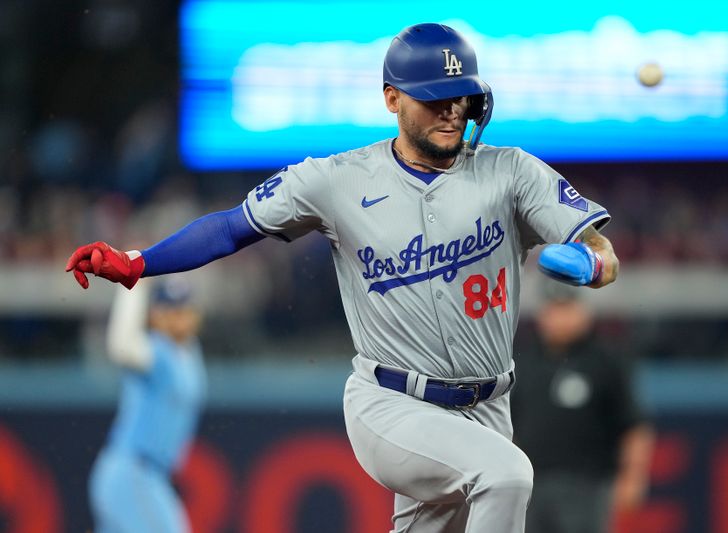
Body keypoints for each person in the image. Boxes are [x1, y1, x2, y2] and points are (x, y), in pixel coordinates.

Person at [67, 23, 618, 532]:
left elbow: (597, 246)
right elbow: (231, 228)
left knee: (481, 481)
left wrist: (593, 262)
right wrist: (139, 263)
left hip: (489, 405)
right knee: (507, 476)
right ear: (392, 98)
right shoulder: (337, 180)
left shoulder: (511, 171)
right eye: (433, 98)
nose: (452, 111)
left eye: (462, 98)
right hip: (393, 404)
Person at [512, 281, 654, 533]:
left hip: (587, 485)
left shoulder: (605, 361)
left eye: (567, 308)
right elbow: (509, 424)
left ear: (584, 310)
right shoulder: (524, 361)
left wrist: (633, 476)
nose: (560, 317)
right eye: (554, 308)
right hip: (532, 483)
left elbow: (633, 425)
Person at [88, 277, 206, 533]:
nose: (179, 316)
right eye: (170, 309)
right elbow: (122, 347)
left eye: (184, 308)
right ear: (154, 315)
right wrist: (132, 285)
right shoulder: (157, 351)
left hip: (148, 477)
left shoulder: (188, 350)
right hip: (133, 473)